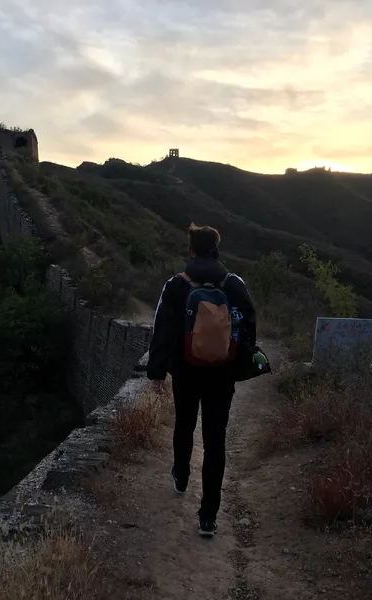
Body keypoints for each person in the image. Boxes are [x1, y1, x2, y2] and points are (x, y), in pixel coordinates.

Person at [147, 223, 257, 538]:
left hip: (185, 372)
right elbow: (249, 327)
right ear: (217, 248)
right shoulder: (234, 283)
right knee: (215, 440)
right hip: (221, 375)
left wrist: (157, 374)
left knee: (184, 424)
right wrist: (239, 368)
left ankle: (181, 474)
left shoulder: (176, 284)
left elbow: (162, 331)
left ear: (191, 250)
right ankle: (208, 517)